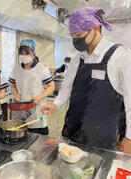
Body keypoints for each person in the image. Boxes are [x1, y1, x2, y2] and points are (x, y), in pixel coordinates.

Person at [41, 7, 131, 153]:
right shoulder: (77, 59)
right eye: (72, 36)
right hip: (72, 132)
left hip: (101, 139)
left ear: (95, 28)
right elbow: (67, 88)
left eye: (78, 35)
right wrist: (55, 104)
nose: (75, 40)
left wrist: (129, 137)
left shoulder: (120, 56)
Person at [9, 39, 55, 135]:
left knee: (39, 143)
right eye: (21, 53)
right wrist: (15, 94)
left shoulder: (41, 68)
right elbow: (12, 85)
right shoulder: (16, 69)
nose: (24, 56)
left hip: (37, 111)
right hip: (20, 110)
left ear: (33, 53)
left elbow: (51, 86)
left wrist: (40, 97)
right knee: (22, 139)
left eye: (27, 53)